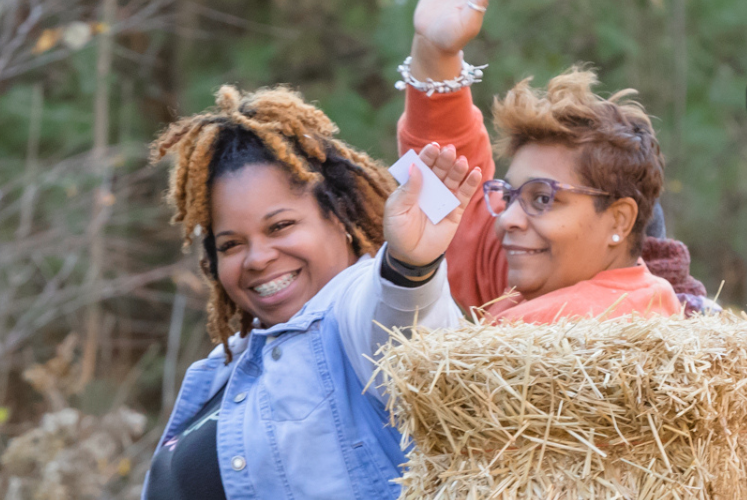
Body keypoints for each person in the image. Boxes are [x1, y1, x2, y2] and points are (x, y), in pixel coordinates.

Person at [143, 85, 480, 499]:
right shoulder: (221, 370)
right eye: (231, 244)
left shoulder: (353, 313)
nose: (256, 258)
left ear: (338, 218)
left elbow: (407, 334)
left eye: (280, 226)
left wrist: (409, 267)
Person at [395, 0, 690, 323]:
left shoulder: (575, 325)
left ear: (619, 221)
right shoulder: (550, 272)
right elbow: (459, 208)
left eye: (543, 198)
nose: (508, 219)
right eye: (509, 197)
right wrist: (434, 53)